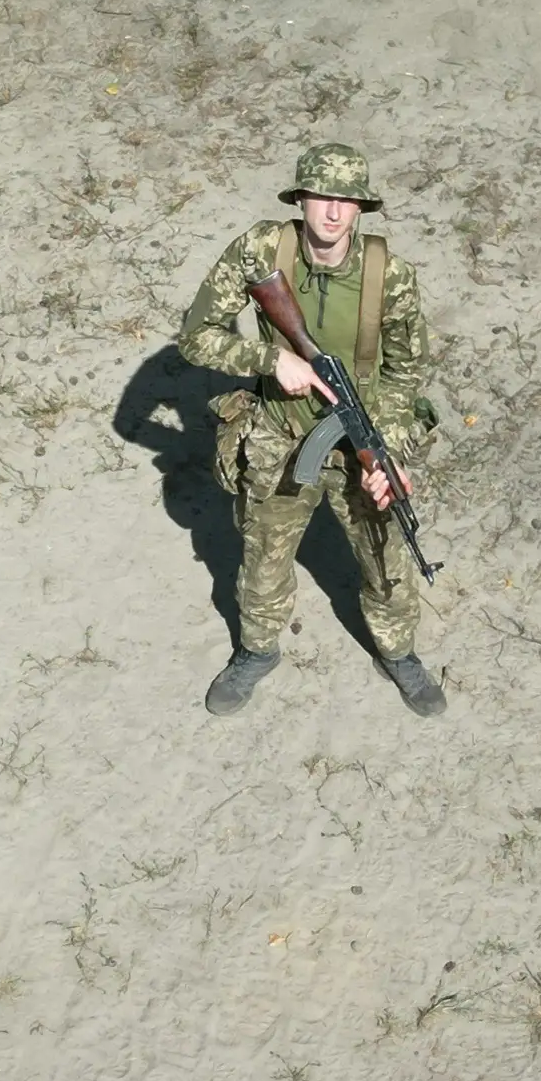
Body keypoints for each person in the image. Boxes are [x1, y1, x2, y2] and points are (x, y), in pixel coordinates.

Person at [178, 144, 446, 719]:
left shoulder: (389, 276)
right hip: (279, 434)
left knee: (387, 556)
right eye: (322, 197)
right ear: (300, 199)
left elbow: (406, 373)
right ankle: (257, 649)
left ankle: (397, 652)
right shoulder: (260, 251)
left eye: (347, 201)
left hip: (361, 436)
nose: (333, 212)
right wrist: (270, 358)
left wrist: (388, 453)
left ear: (361, 208)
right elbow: (196, 337)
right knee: (263, 558)